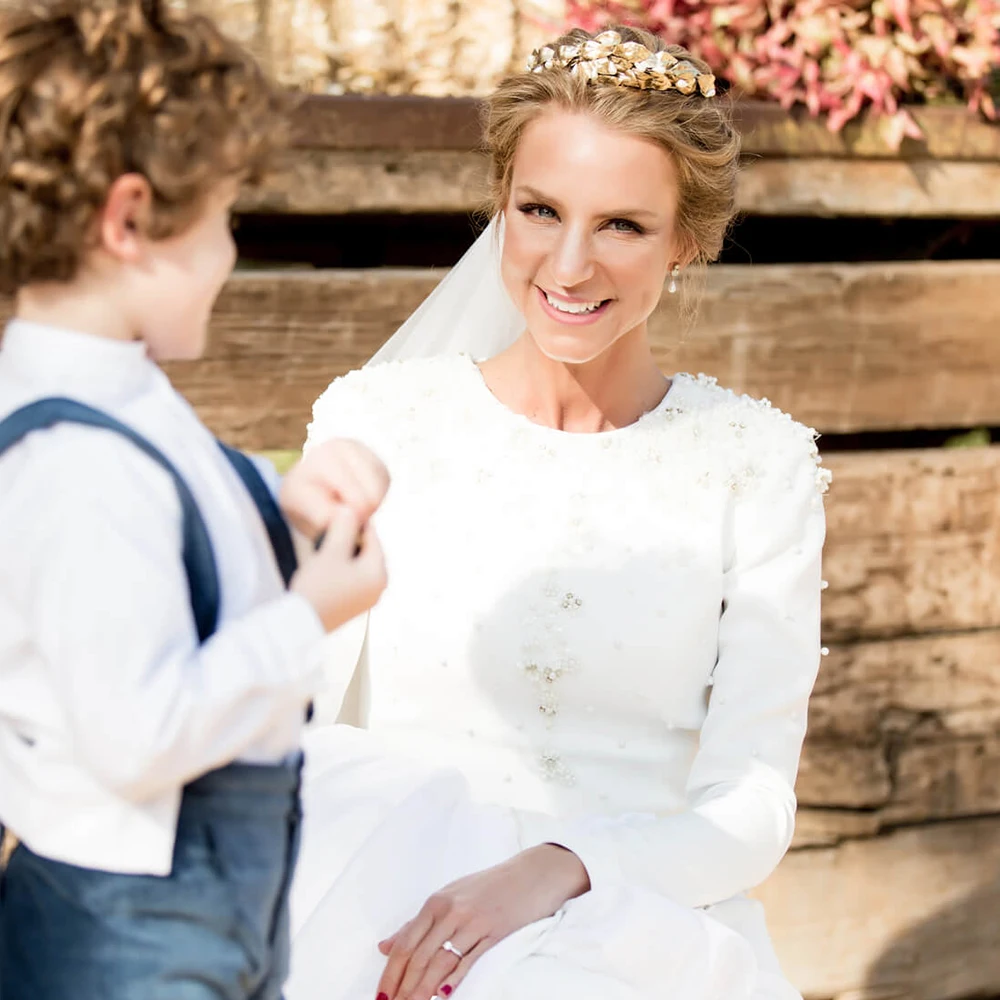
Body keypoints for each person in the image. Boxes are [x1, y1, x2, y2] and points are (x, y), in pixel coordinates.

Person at [285, 25, 831, 1000]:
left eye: (621, 225)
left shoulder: (758, 466)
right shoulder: (376, 424)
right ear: (500, 203)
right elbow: (298, 721)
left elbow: (749, 807)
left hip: (637, 924)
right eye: (539, 210)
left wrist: (558, 864)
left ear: (689, 241)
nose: (568, 266)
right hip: (387, 906)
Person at [0, 2, 388, 997]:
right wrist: (311, 620)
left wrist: (278, 493)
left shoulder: (115, 397)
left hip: (204, 902)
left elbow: (171, 516)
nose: (229, 252)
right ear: (128, 220)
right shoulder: (79, 467)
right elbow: (137, 735)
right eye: (223, 219)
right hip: (129, 929)